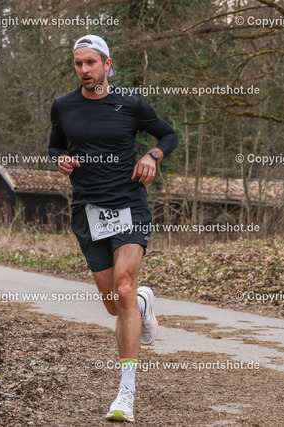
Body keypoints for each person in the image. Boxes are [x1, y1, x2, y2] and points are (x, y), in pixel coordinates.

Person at [48, 34, 178, 422]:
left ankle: (126, 393)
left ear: (107, 64)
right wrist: (61, 159)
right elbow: (55, 145)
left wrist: (153, 155)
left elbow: (169, 134)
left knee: (123, 288)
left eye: (91, 62)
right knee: (113, 304)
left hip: (128, 204)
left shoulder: (131, 103)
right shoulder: (63, 106)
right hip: (87, 210)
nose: (84, 70)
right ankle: (142, 304)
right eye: (78, 63)